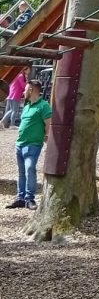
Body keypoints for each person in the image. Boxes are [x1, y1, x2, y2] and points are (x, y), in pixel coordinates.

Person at [7, 80, 51, 210]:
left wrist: (46, 137)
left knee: (30, 169)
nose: (23, 92)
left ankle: (29, 198)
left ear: (31, 90)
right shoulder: (26, 106)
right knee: (21, 172)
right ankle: (20, 198)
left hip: (33, 144)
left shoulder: (43, 106)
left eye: (26, 89)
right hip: (20, 144)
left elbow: (48, 123)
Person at [1, 64, 30, 128]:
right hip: (15, 95)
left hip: (11, 94)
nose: (29, 71)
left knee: (11, 110)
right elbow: (23, 86)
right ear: (25, 70)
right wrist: (27, 82)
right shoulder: (21, 76)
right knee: (14, 110)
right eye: (28, 70)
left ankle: (2, 122)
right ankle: (12, 125)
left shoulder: (19, 76)